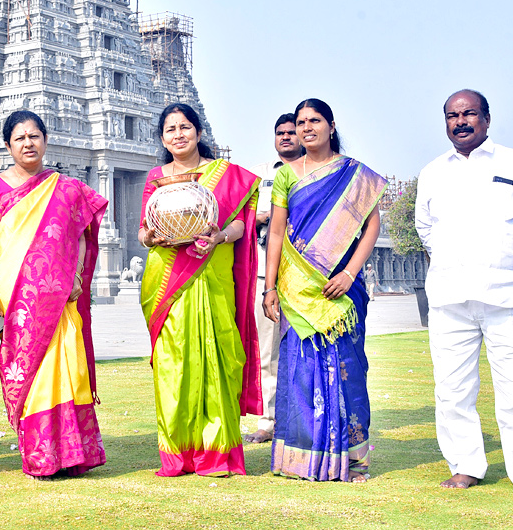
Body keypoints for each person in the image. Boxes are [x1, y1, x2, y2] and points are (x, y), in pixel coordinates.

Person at [415, 89, 513, 497]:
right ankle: (465, 466)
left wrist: (509, 257)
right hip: (449, 297)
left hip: (508, 295)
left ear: (487, 119)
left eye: (469, 113)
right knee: (452, 390)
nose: (460, 121)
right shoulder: (432, 172)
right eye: (452, 115)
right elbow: (426, 228)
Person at [0, 110, 109, 477]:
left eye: (34, 136)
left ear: (45, 141)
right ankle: (42, 456)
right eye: (19, 138)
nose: (28, 143)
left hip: (61, 292)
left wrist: (78, 275)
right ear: (7, 146)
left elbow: (80, 235)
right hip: (15, 294)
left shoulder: (65, 187)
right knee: (25, 370)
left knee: (64, 364)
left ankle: (73, 453)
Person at [263, 98, 384, 483]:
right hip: (297, 290)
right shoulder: (285, 175)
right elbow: (277, 233)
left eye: (314, 121)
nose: (306, 128)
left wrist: (349, 273)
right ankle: (302, 459)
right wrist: (269, 288)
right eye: (300, 123)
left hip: (342, 289)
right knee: (299, 372)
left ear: (331, 126)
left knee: (349, 371)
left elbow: (371, 226)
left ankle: (353, 460)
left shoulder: (355, 176)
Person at [138, 102, 262, 476]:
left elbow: (240, 224)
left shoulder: (226, 176)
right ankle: (178, 454)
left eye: (185, 127)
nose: (179, 134)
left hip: (212, 272)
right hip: (167, 279)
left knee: (217, 355)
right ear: (162, 137)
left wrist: (219, 236)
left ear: (199, 131)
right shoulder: (155, 179)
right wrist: (152, 238)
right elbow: (144, 231)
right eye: (171, 129)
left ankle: (217, 454)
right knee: (174, 364)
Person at [244, 112, 302, 445]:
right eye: (280, 133)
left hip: (307, 275)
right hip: (267, 274)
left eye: (292, 132)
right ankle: (269, 419)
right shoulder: (260, 176)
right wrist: (265, 216)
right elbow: (239, 216)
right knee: (268, 351)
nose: (286, 137)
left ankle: (307, 415)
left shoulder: (317, 172)